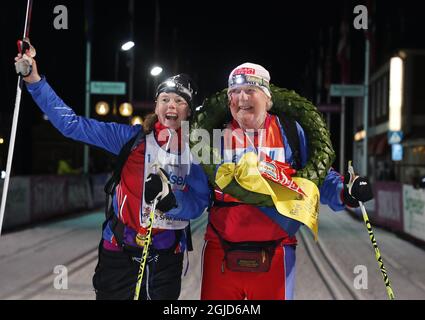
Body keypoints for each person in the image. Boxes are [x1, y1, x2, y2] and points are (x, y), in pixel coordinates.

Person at [14, 45, 210, 300]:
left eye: (179, 101)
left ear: (188, 110)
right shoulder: (132, 140)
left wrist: (171, 202)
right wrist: (34, 80)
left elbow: (199, 202)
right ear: (156, 105)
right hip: (119, 252)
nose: (171, 105)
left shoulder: (196, 151)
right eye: (165, 99)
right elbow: (72, 125)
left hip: (164, 260)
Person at [199, 62, 373, 300]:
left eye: (250, 91)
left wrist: (347, 192)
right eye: (235, 92)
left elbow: (319, 177)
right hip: (220, 251)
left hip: (276, 252)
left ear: (268, 98)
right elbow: (195, 191)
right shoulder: (213, 137)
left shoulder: (290, 131)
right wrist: (169, 196)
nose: (242, 98)